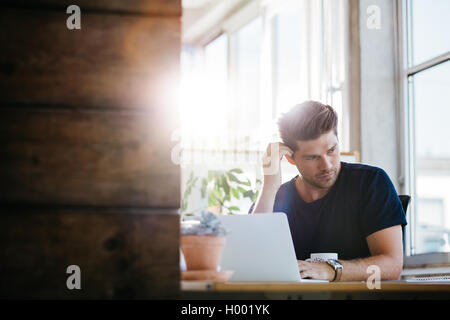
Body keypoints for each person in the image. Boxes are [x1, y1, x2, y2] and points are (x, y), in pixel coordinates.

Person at [251, 101, 407, 282]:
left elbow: (392, 266)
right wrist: (269, 186)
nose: (327, 165)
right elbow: (252, 260)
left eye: (332, 150)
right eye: (312, 157)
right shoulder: (277, 198)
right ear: (290, 159)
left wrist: (331, 270)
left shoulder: (371, 182)